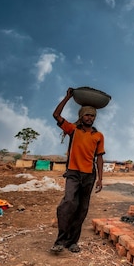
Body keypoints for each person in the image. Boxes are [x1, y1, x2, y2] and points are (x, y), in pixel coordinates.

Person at [50, 88, 105, 253]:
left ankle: (73, 242)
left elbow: (100, 158)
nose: (90, 118)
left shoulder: (98, 136)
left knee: (82, 209)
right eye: (87, 115)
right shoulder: (73, 130)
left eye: (93, 115)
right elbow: (56, 115)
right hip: (73, 173)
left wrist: (101, 179)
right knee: (68, 204)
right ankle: (60, 240)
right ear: (81, 116)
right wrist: (67, 97)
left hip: (89, 175)